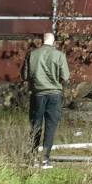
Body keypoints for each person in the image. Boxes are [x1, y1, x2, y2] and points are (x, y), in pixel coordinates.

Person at [23, 31, 69, 169]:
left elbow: (25, 75)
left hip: (37, 94)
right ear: (53, 42)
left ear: (41, 41)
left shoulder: (32, 54)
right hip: (54, 94)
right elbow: (65, 76)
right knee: (50, 126)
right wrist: (56, 81)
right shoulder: (60, 55)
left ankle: (33, 157)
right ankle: (45, 159)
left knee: (35, 125)